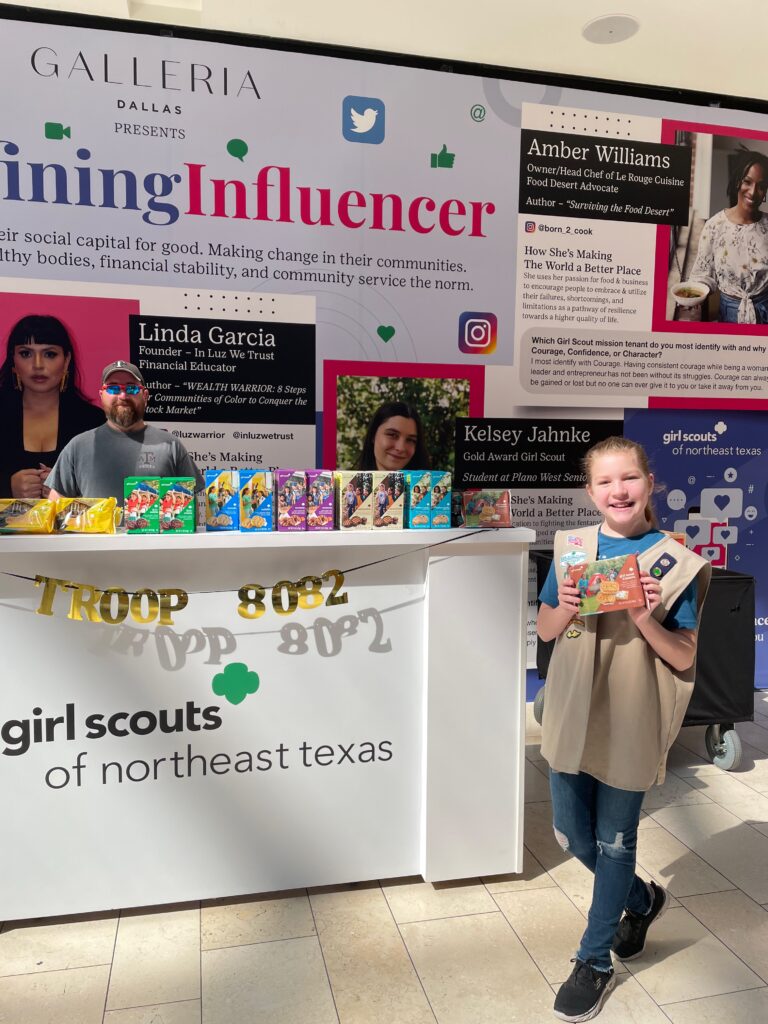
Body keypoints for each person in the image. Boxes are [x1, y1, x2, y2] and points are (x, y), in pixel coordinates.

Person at [536, 437, 710, 1022]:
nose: (619, 491)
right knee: (571, 837)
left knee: (615, 842)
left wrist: (643, 614)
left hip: (631, 714)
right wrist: (562, 604)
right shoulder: (574, 547)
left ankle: (595, 961)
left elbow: (684, 658)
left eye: (629, 478)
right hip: (572, 708)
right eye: (606, 482)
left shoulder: (674, 560)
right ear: (590, 492)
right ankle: (641, 897)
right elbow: (545, 628)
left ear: (649, 482)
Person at [46, 360, 203, 504]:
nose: (122, 395)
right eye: (113, 388)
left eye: (132, 388)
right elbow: (56, 503)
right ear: (101, 395)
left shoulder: (171, 446)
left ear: (145, 396)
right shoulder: (77, 446)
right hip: (94, 536)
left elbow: (190, 512)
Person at [0, 315, 104, 498]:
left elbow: (111, 491)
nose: (38, 365)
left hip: (72, 527)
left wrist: (70, 492)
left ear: (66, 361)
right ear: (13, 362)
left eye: (50, 354)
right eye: (26, 353)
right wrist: (7, 488)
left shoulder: (94, 423)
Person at [689, 150, 768, 323]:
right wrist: (695, 294)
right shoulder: (714, 226)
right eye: (747, 182)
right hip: (729, 316)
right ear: (737, 182)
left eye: (761, 186)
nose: (753, 192)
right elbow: (702, 275)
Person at [356, 401, 430, 471]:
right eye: (392, 435)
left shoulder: (434, 483)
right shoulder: (347, 483)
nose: (401, 448)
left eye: (410, 440)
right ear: (373, 435)